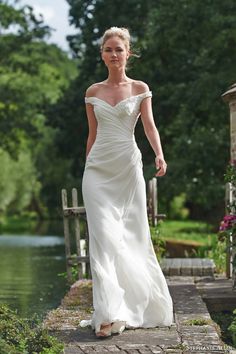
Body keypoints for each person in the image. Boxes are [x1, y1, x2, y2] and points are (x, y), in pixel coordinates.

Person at [81, 26, 173, 338]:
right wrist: (86, 165)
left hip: (127, 168)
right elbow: (91, 135)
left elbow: (149, 125)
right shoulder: (92, 93)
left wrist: (159, 155)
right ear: (102, 55)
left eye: (119, 49)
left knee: (130, 236)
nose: (113, 54)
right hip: (97, 171)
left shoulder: (139, 88)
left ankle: (127, 309)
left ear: (128, 53)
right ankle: (108, 315)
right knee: (103, 239)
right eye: (108, 50)